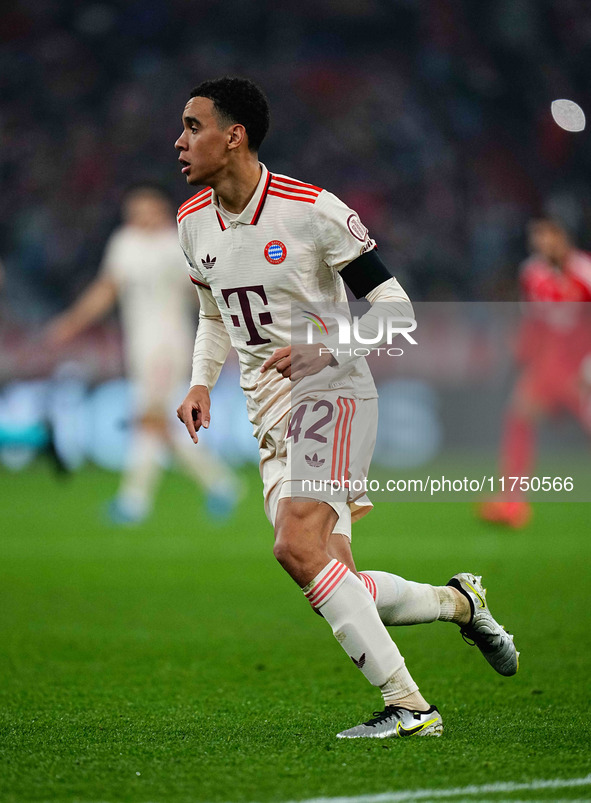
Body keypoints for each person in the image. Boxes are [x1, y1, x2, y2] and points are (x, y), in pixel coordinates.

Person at [175, 76, 518, 739]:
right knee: (338, 577)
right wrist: (197, 381)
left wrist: (326, 349)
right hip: (266, 408)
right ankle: (461, 602)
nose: (179, 141)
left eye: (192, 126)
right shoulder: (193, 223)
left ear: (234, 135)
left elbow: (396, 310)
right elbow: (212, 314)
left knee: (294, 546)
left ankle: (410, 706)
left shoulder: (311, 210)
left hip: (332, 393)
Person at [47, 184, 240, 523]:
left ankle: (135, 501)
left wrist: (230, 329)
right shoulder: (124, 243)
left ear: (161, 208)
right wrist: (72, 323)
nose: (141, 216)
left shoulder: (177, 242)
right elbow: (107, 288)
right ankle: (220, 484)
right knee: (157, 421)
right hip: (139, 343)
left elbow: (202, 294)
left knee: (149, 416)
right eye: (135, 210)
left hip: (169, 343)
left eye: (147, 208)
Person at [479, 218, 591, 529]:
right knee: (518, 417)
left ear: (564, 236)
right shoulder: (533, 273)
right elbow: (536, 322)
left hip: (581, 366)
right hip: (548, 365)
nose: (541, 242)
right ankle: (512, 503)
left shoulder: (584, 272)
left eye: (547, 234)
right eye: (536, 235)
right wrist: (524, 353)